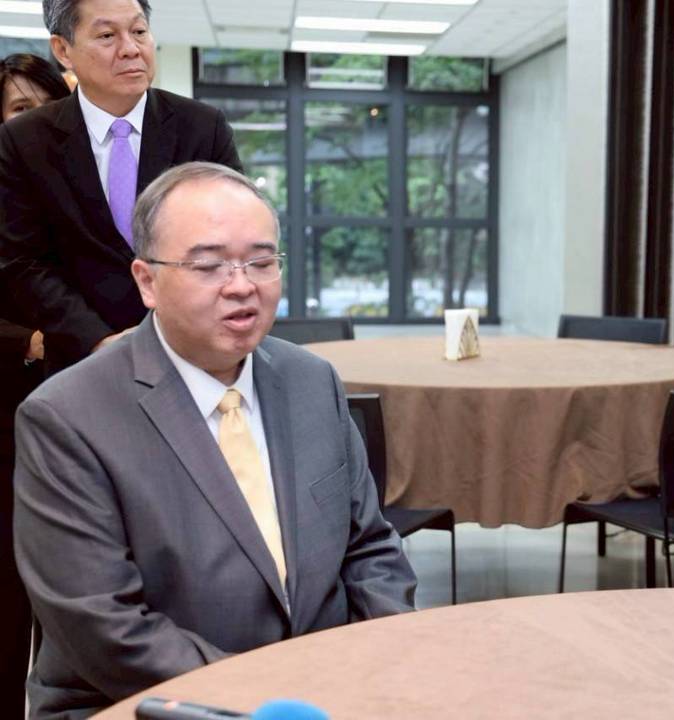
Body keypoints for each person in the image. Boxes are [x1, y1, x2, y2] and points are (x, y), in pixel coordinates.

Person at [13, 162, 417, 719]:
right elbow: (105, 627)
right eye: (208, 265)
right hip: (148, 705)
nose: (242, 286)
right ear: (147, 281)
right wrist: (273, 694)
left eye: (262, 262)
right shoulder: (67, 418)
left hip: (326, 694)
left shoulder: (311, 380)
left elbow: (370, 549)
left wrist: (376, 661)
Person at [0, 0, 241, 375]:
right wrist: (96, 339)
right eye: (107, 35)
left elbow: (233, 236)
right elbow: (22, 261)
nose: (131, 48)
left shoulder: (202, 127)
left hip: (190, 351)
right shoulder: (24, 141)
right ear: (63, 49)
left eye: (139, 31)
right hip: (79, 363)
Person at [0, 52, 71, 720]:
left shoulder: (73, 186)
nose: (37, 122)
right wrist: (30, 340)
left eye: (48, 107)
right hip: (7, 408)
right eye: (21, 110)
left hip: (71, 410)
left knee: (69, 586)